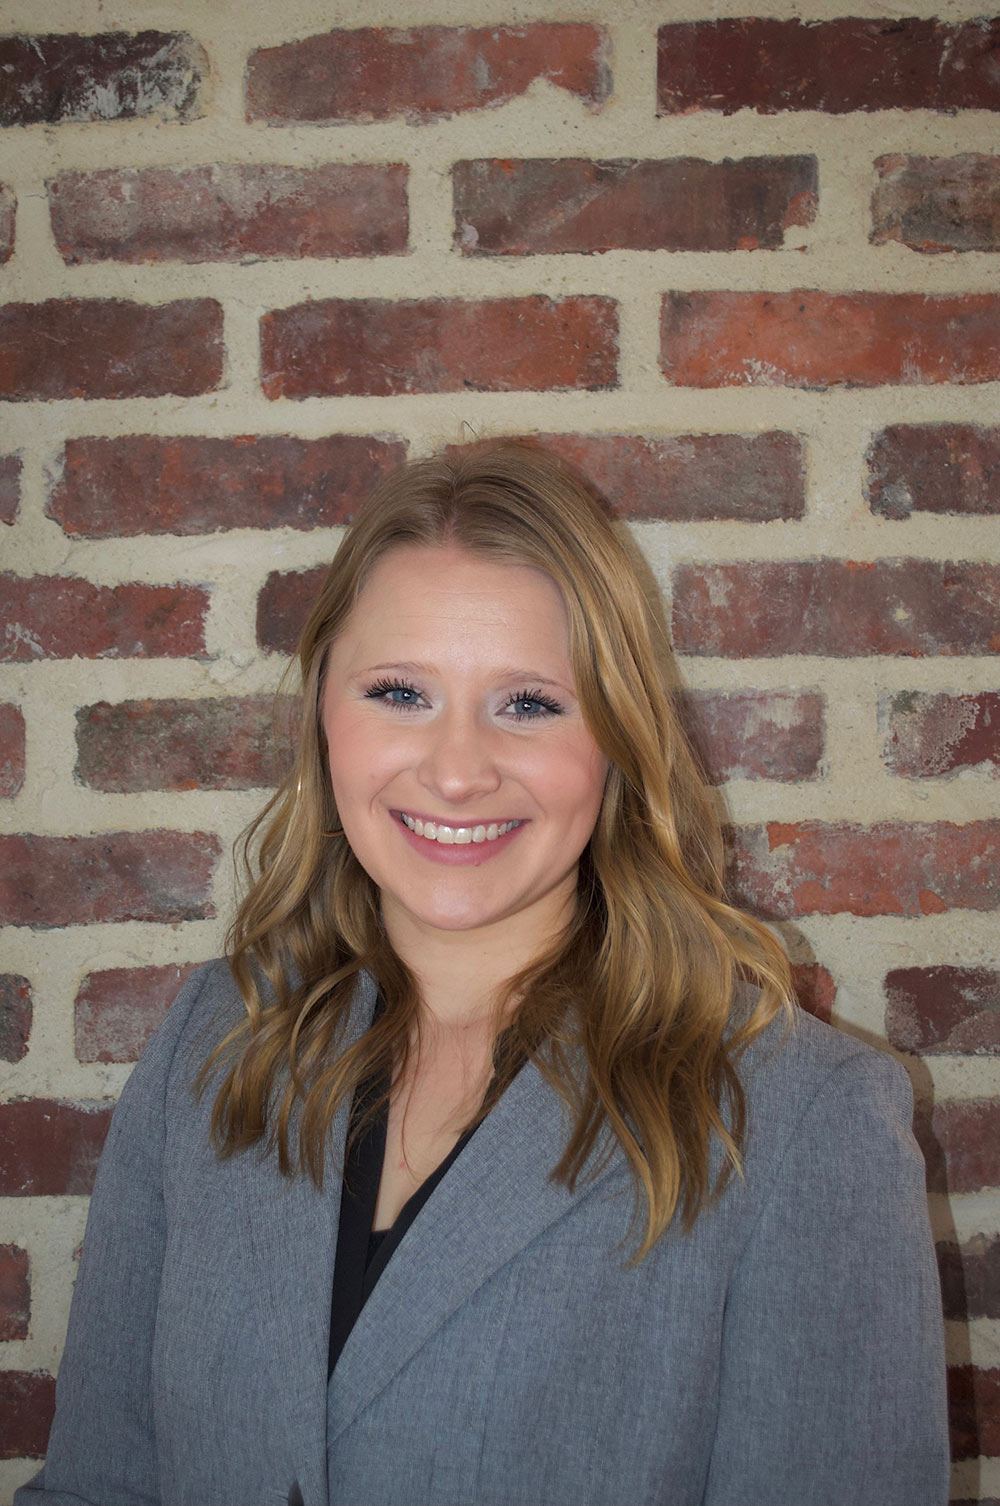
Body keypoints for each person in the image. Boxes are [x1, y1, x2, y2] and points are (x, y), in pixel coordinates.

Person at [17, 443, 949, 1506]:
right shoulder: (214, 1038)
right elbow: (96, 1487)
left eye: (528, 704)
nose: (456, 770)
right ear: (325, 713)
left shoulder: (798, 1117)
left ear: (618, 739)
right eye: (400, 691)